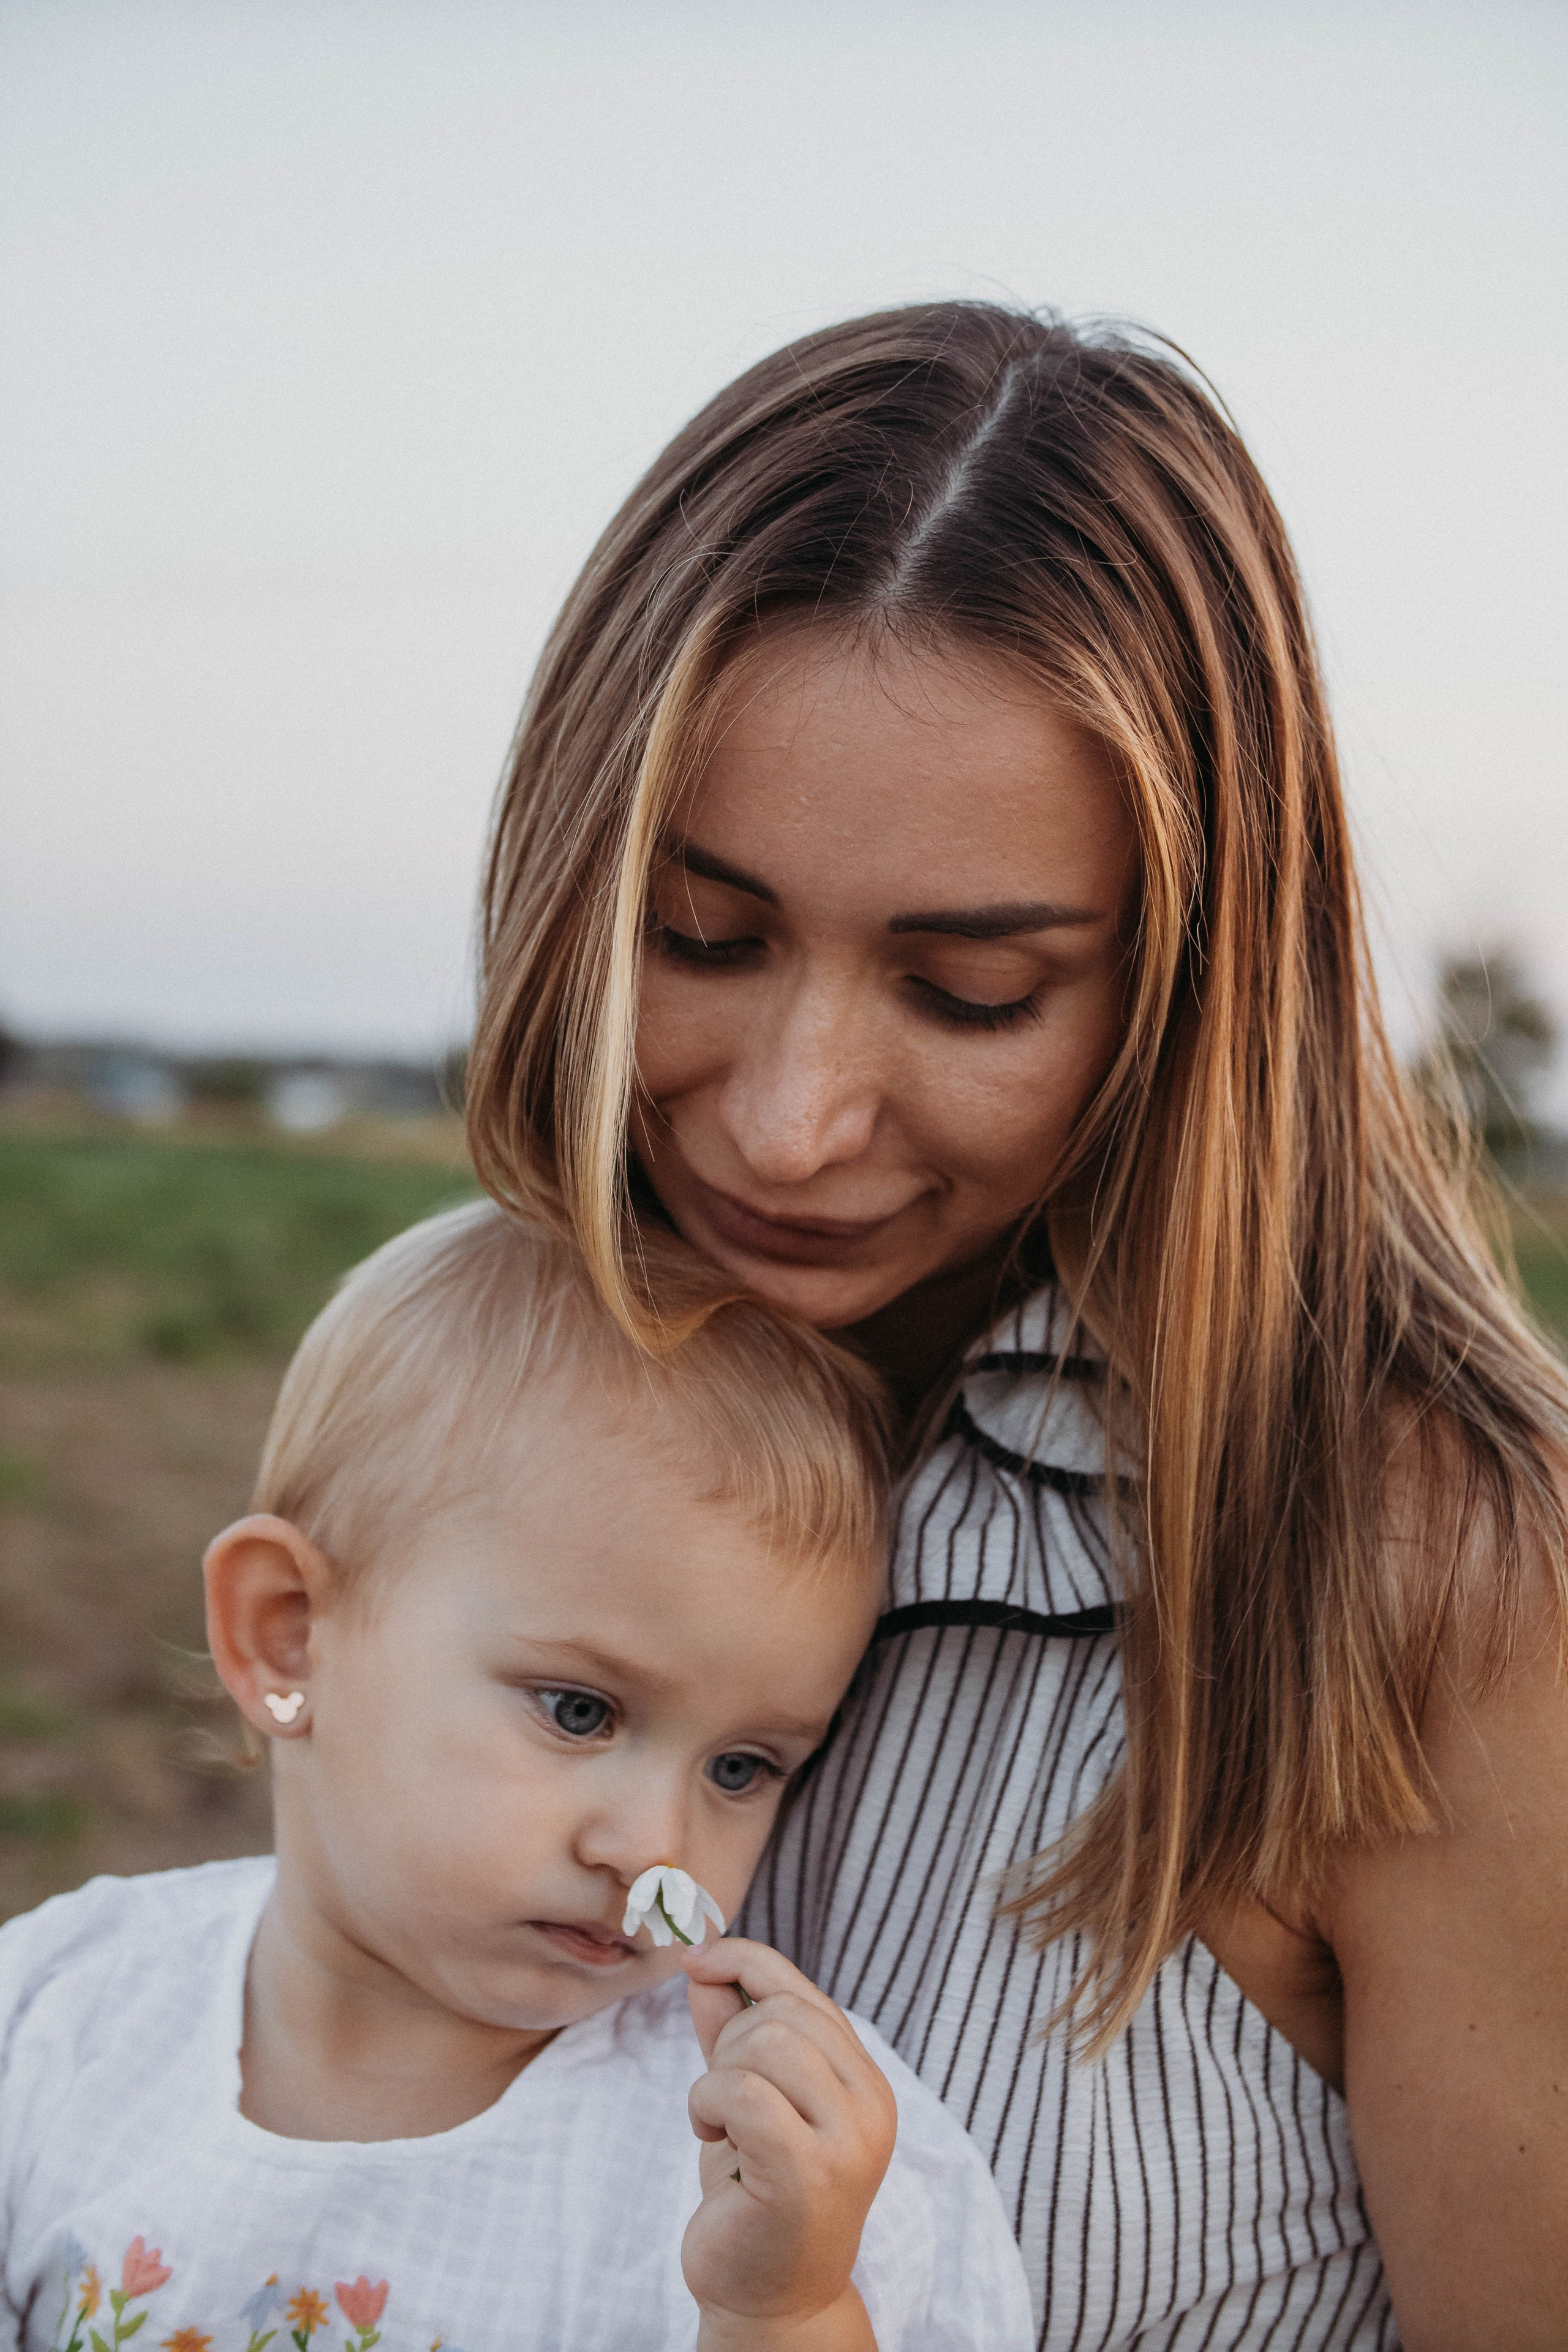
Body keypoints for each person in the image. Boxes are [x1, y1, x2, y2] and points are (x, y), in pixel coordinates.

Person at [464, 300, 1568, 2348]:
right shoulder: (490, 1413)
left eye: (970, 990)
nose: (793, 1120)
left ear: (1188, 981)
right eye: (697, 938)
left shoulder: (1450, 1582)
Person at [0, 1204, 1035, 2352]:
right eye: (579, 1711)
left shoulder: (775, 2158)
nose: (655, 1848)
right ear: (289, 1636)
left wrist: (781, 2308)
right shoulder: (55, 2024)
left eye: (742, 1767)